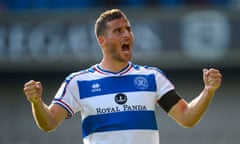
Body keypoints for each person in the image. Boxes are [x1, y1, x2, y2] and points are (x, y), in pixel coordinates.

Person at [23, 9, 222, 144]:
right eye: (118, 31)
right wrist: (36, 102)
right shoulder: (78, 82)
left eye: (128, 29)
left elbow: (187, 118)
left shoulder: (152, 77)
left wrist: (208, 91)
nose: (126, 35)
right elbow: (48, 123)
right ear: (102, 41)